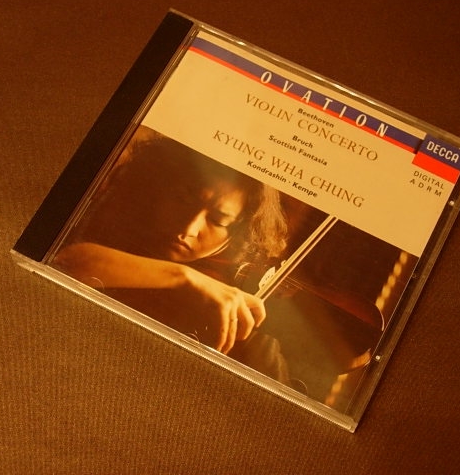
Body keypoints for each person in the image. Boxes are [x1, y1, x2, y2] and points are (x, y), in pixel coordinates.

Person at [51, 127, 291, 380]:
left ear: (238, 232)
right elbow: (66, 262)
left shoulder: (233, 302)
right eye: (182, 199)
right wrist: (184, 277)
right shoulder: (109, 216)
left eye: (218, 220)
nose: (189, 229)